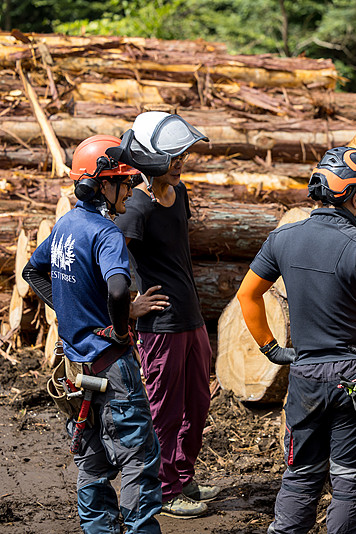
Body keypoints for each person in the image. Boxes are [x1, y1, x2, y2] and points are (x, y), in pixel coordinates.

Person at [236, 146, 356, 534]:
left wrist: (271, 347)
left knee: (301, 475)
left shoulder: (283, 239)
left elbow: (247, 295)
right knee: (349, 485)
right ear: (355, 195)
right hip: (355, 380)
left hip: (306, 377)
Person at [23, 135, 162, 533]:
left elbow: (33, 271)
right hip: (111, 368)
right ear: (102, 184)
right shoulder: (106, 233)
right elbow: (119, 289)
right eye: (124, 181)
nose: (130, 188)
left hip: (74, 366)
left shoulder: (67, 223)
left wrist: (73, 313)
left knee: (93, 463)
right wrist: (119, 330)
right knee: (137, 460)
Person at [112, 111, 219, 518]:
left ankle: (182, 475)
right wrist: (130, 306)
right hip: (160, 326)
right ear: (152, 158)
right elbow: (112, 259)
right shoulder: (135, 206)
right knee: (165, 408)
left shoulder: (181, 194)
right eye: (174, 157)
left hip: (191, 317)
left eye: (183, 156)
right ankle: (163, 490)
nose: (181, 163)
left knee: (197, 403)